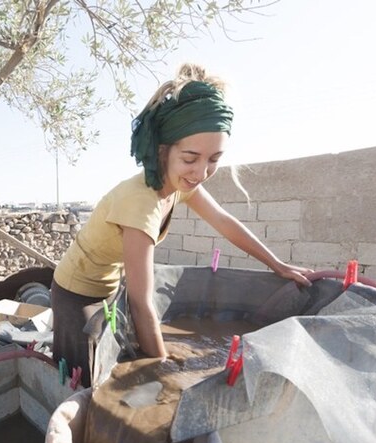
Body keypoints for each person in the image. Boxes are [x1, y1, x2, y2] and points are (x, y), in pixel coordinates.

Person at [51, 63, 313, 387]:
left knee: (125, 356)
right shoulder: (140, 203)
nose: (201, 173)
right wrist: (166, 371)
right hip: (76, 292)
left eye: (214, 159)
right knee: (86, 375)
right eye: (190, 158)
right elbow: (142, 303)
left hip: (109, 286)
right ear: (163, 151)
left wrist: (277, 264)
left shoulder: (178, 186)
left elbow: (224, 222)